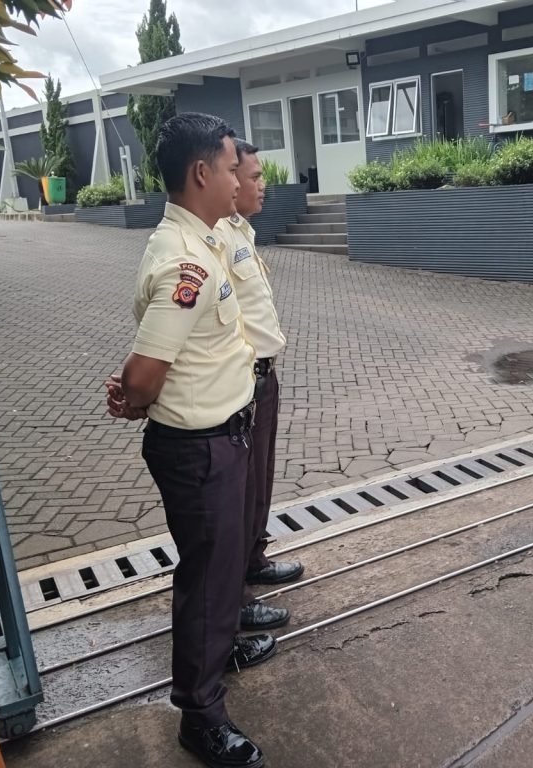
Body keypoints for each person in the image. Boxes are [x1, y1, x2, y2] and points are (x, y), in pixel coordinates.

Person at [107, 112, 270, 768]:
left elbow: (165, 354)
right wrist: (132, 391)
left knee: (222, 567)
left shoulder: (198, 241)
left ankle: (220, 645)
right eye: (232, 167)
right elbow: (147, 372)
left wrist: (134, 384)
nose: (239, 178)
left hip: (216, 439)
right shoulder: (186, 263)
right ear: (202, 172)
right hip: (201, 449)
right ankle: (200, 716)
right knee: (207, 578)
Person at [217, 139, 304, 634]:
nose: (259, 184)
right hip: (243, 381)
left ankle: (254, 559)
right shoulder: (217, 239)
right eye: (251, 176)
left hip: (262, 376)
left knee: (260, 481)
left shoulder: (240, 231)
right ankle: (238, 599)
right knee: (241, 490)